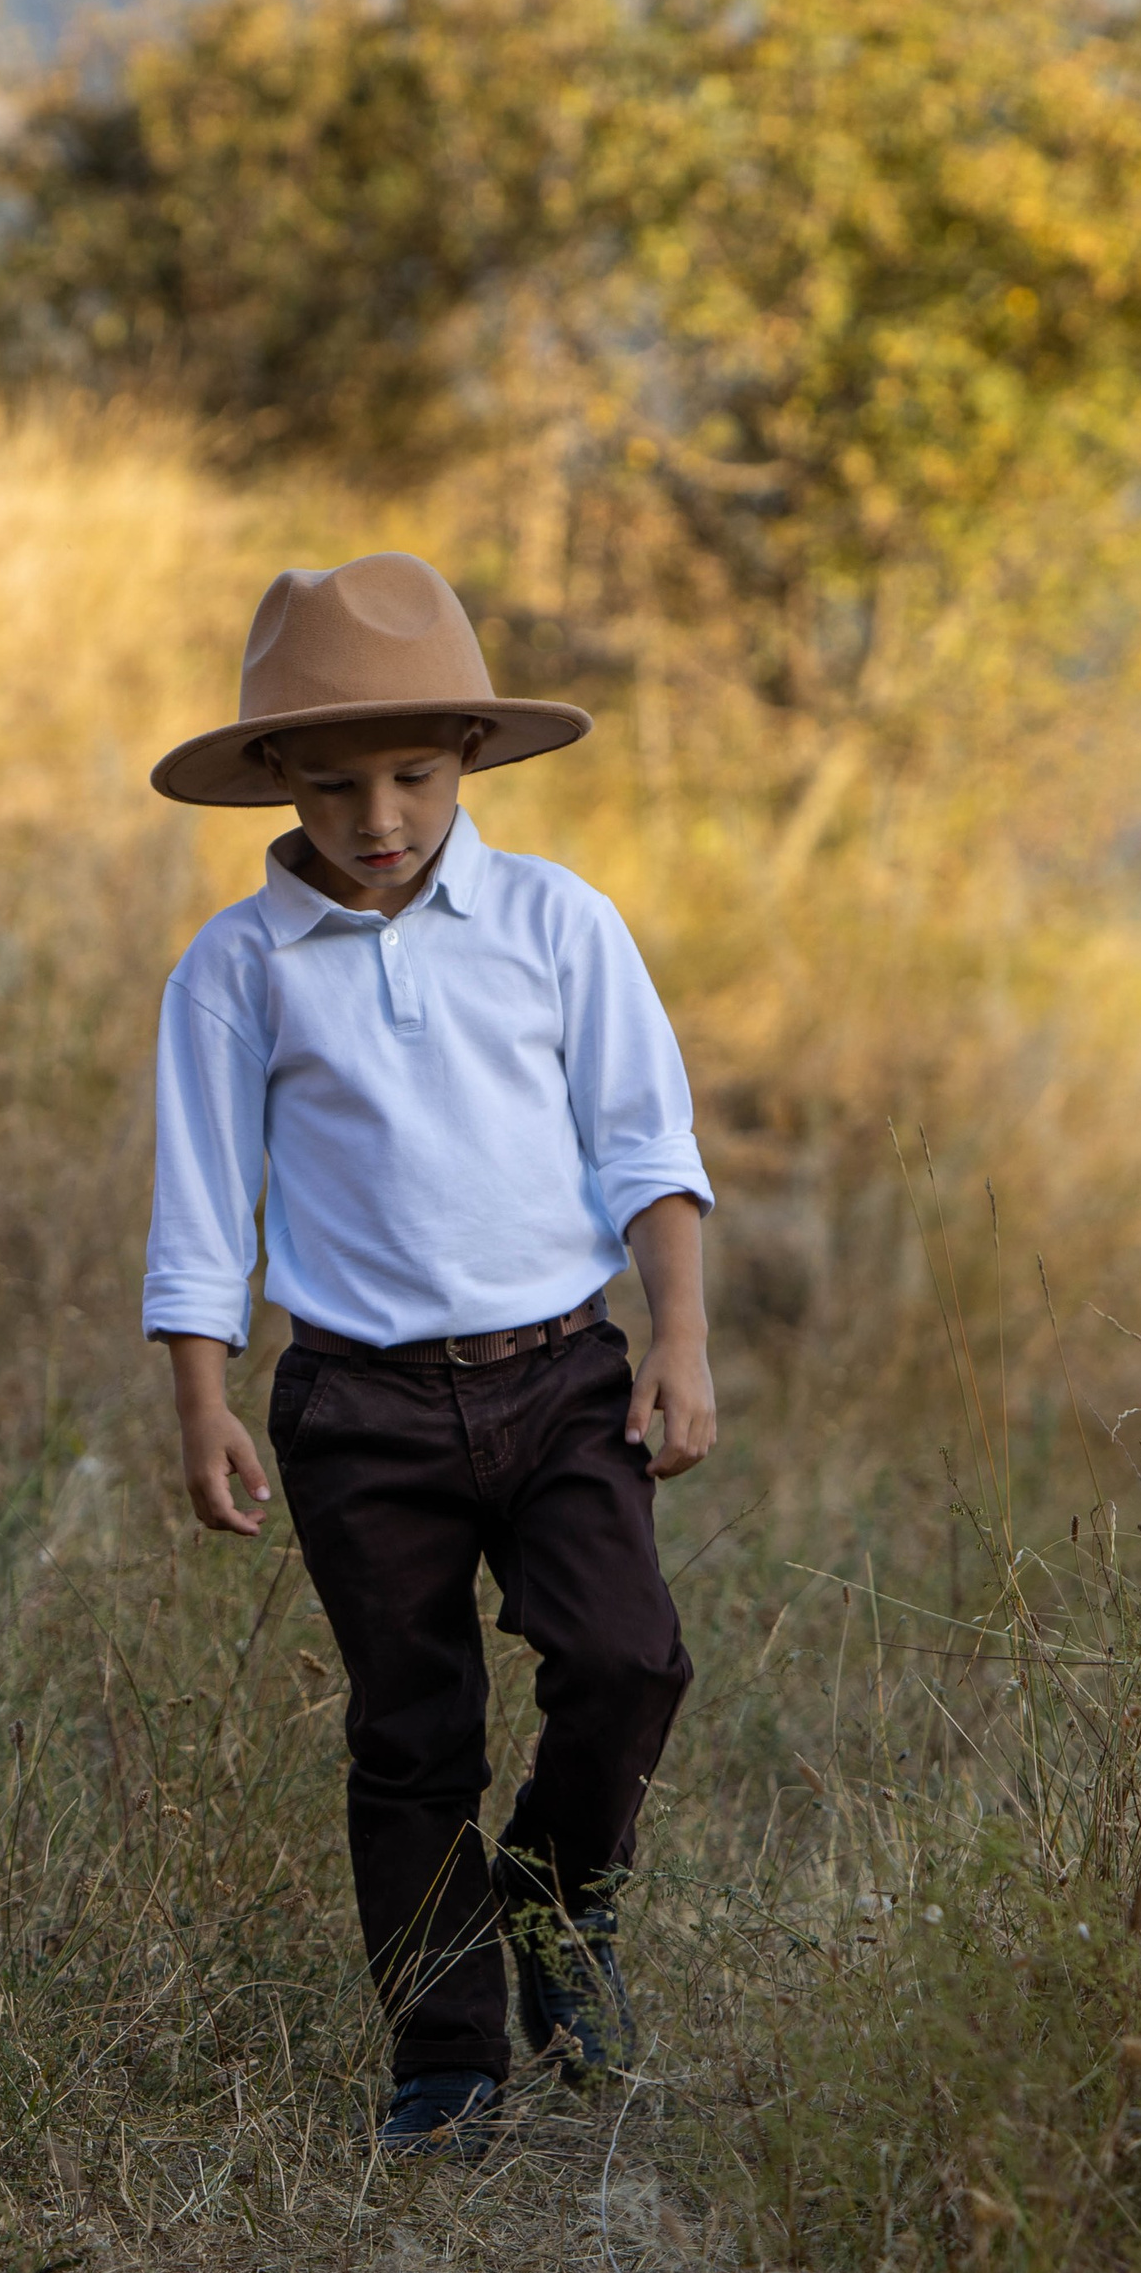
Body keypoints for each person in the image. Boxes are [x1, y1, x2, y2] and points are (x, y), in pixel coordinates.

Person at [143, 550, 716, 2161]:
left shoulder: (556, 922)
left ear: (470, 750)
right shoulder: (237, 970)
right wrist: (202, 1401)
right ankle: (445, 2053)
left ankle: (556, 1889)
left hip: (560, 1376)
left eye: (411, 773)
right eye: (333, 784)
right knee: (412, 1728)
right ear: (277, 774)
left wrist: (678, 1337)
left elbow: (646, 1144)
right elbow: (202, 1204)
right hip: (360, 1405)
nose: (377, 815)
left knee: (629, 1656)